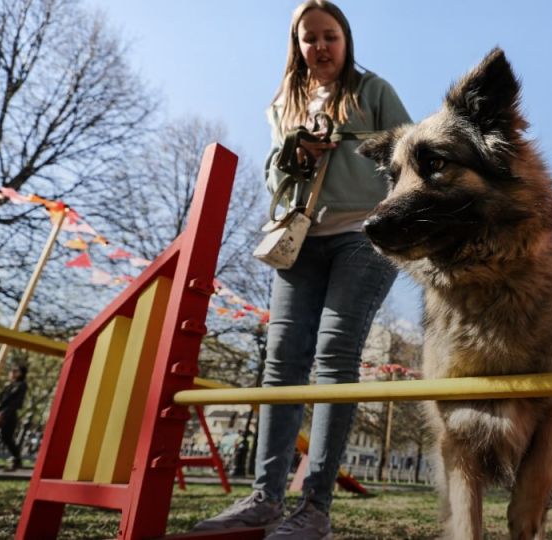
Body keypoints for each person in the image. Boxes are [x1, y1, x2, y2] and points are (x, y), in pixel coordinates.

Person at [194, 1, 409, 538]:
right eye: (309, 38)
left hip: (364, 236)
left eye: (329, 35)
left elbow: (409, 152)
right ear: (297, 45)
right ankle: (265, 498)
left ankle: (314, 509)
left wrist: (345, 145)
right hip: (300, 237)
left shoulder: (373, 90)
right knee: (282, 360)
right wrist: (294, 151)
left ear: (346, 39)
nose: (320, 46)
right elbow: (272, 176)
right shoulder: (283, 101)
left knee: (335, 357)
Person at [0, 364, 28, 471]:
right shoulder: (8, 385)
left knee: (6, 438)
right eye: (12, 370)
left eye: (15, 370)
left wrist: (2, 414)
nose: (12, 372)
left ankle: (17, 461)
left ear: (21, 373)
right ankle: (17, 461)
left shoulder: (22, 385)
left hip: (9, 416)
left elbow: (16, 403)